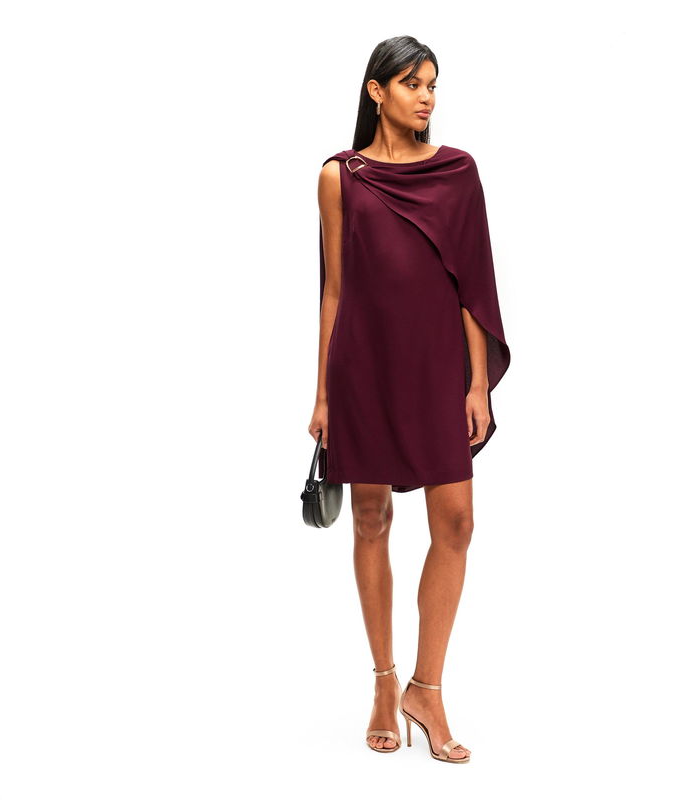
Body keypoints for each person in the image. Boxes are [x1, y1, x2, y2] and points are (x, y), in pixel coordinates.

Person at [308, 35, 510, 764]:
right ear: (377, 91)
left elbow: (472, 283)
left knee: (456, 521)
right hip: (364, 366)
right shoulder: (340, 176)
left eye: (432, 85)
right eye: (412, 84)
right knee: (371, 518)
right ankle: (384, 681)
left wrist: (477, 382)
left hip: (436, 367)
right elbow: (334, 290)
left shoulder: (458, 172)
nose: (426, 97)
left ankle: (427, 687)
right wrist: (323, 394)